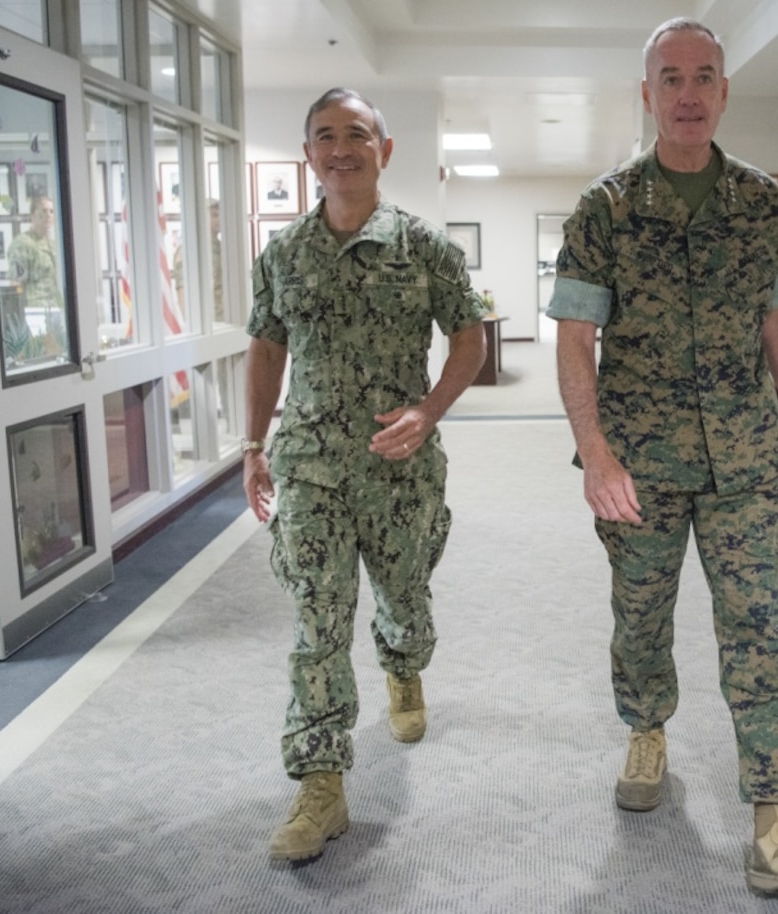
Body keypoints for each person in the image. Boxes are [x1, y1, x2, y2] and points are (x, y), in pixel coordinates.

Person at [549, 18, 778, 899]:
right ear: (646, 94)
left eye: (705, 76)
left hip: (743, 460)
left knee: (756, 629)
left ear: (725, 92)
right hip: (638, 467)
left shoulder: (760, 202)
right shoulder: (604, 209)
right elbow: (576, 342)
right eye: (670, 77)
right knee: (641, 617)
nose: (688, 93)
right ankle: (646, 726)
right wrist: (596, 453)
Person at [243, 87, 487, 864]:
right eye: (325, 136)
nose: (340, 148)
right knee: (317, 617)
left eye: (356, 134)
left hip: (398, 467)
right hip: (310, 464)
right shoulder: (282, 255)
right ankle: (320, 784)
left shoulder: (425, 247)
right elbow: (266, 348)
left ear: (384, 151)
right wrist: (253, 444)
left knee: (404, 596)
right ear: (308, 155)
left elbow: (470, 338)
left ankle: (404, 664)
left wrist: (431, 411)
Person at [5, 194, 65, 362]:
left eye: (52, 211)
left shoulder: (53, 243)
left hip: (54, 309)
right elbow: (16, 283)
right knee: (40, 358)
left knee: (57, 356)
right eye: (43, 211)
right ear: (32, 215)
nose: (48, 215)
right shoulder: (23, 244)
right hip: (34, 309)